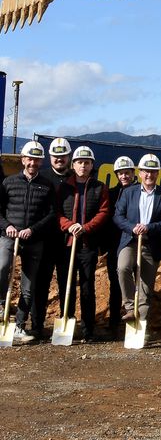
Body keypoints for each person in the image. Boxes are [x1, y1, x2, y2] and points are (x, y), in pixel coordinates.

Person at [0, 141, 57, 343]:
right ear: (23, 160)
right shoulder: (9, 182)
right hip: (9, 236)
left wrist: (32, 230)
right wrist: (7, 225)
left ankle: (19, 326)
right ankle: (1, 305)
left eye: (36, 159)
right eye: (29, 158)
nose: (32, 162)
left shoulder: (47, 185)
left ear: (41, 161)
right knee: (2, 266)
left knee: (28, 285)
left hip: (34, 240)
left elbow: (51, 214)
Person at [114, 153, 161, 324]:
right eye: (145, 171)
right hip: (130, 240)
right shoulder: (128, 193)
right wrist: (132, 227)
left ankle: (141, 324)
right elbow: (118, 217)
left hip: (152, 244)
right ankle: (129, 307)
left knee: (146, 287)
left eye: (153, 171)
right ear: (140, 173)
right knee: (123, 268)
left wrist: (149, 227)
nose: (149, 175)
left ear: (158, 173)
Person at [57, 146, 110, 341]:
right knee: (66, 284)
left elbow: (103, 212)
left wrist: (86, 228)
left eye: (87, 162)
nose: (83, 165)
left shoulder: (99, 187)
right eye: (79, 162)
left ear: (91, 165)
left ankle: (88, 329)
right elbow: (57, 212)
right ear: (73, 164)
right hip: (67, 244)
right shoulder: (63, 187)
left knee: (88, 286)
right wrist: (69, 225)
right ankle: (67, 321)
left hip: (88, 245)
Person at [31, 136, 72, 340]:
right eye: (56, 156)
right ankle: (37, 325)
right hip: (45, 240)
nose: (59, 159)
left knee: (67, 282)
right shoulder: (42, 177)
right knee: (41, 283)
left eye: (63, 156)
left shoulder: (76, 178)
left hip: (68, 241)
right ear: (50, 157)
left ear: (68, 157)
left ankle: (67, 320)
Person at [102, 156, 137, 337]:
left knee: (138, 284)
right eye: (120, 173)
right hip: (115, 245)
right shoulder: (112, 193)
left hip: (135, 243)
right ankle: (114, 322)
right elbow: (107, 219)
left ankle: (137, 319)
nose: (124, 176)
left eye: (127, 173)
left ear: (133, 173)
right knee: (115, 284)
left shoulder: (140, 192)